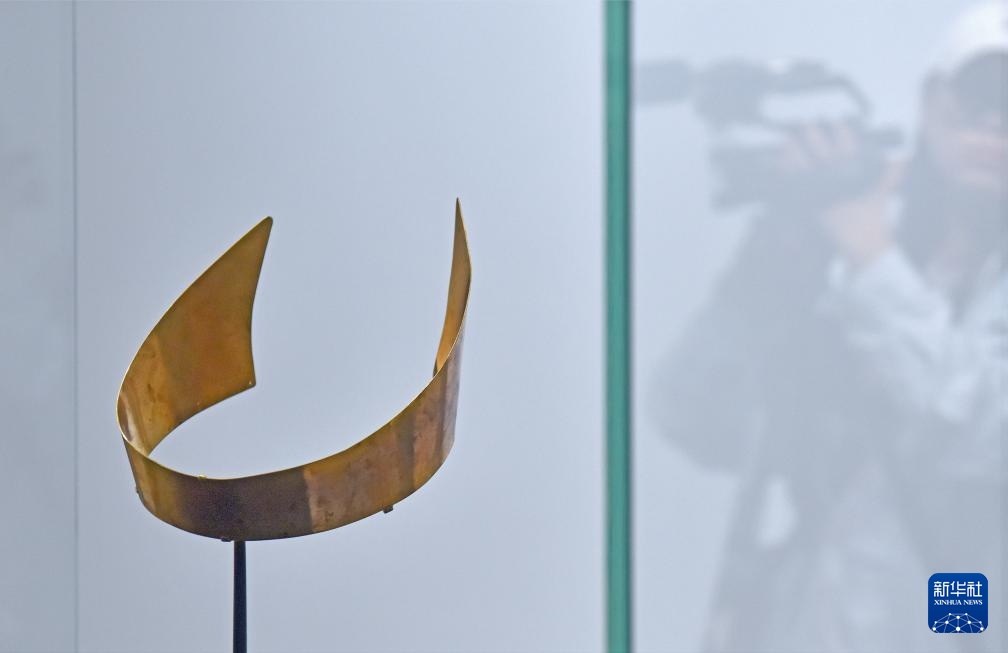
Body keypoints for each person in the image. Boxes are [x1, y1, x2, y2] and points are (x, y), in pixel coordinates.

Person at [650, 4, 1006, 651]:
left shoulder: (870, 257)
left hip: (957, 608)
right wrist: (777, 257)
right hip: (806, 623)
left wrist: (867, 251)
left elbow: (983, 440)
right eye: (979, 91)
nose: (993, 118)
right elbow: (693, 417)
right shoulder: (857, 259)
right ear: (931, 103)